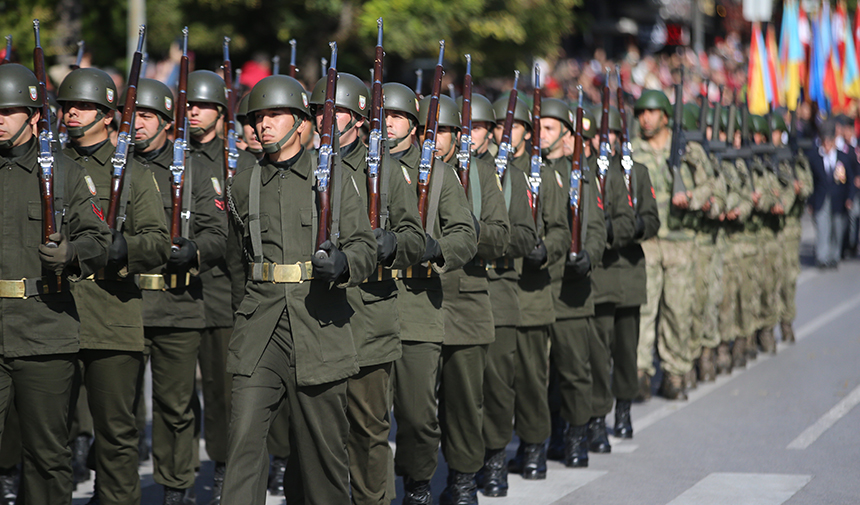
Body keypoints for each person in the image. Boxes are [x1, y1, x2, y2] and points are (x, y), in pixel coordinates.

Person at [221, 74, 376, 505]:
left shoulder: (337, 178)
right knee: (243, 444)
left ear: (301, 122)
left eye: (274, 115)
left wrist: (345, 263)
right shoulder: (243, 183)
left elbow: (364, 244)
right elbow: (239, 260)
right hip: (259, 329)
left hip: (318, 325)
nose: (262, 124)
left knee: (323, 456)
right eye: (257, 117)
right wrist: (243, 316)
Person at [58, 67, 171, 505]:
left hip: (111, 312)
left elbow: (158, 243)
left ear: (108, 115)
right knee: (50, 435)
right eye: (68, 106)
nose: (72, 114)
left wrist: (126, 248)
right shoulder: (49, 164)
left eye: (84, 106)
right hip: (52, 311)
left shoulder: (134, 173)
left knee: (115, 435)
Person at [0, 62, 110, 505]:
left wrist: (74, 253)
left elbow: (100, 239)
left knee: (46, 456)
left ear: (33, 116)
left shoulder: (63, 174)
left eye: (7, 111)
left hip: (44, 331)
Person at [129, 78, 228, 505]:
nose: (136, 123)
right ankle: (115, 487)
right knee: (119, 410)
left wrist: (195, 250)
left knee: (175, 406)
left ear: (167, 122)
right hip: (123, 302)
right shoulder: (118, 167)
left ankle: (176, 488)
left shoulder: (196, 168)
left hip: (178, 302)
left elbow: (217, 233)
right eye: (131, 114)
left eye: (146, 115)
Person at [383, 82, 477, 504]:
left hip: (418, 304)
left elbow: (464, 235)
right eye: (382, 115)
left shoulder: (438, 174)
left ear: (414, 125)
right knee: (361, 415)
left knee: (419, 415)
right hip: (362, 303)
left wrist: (438, 248)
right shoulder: (357, 170)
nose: (387, 124)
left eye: (397, 116)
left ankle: (418, 484)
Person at [417, 94, 510, 503]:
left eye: (443, 132)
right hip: (418, 298)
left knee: (464, 401)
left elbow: (501, 237)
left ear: (459, 138)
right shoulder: (407, 173)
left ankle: (463, 478)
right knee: (417, 407)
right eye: (428, 131)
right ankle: (418, 481)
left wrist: (469, 225)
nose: (434, 140)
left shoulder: (479, 175)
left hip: (467, 300)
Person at [184, 69, 258, 503]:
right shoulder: (172, 155)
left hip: (220, 292)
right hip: (176, 293)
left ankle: (224, 470)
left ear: (220, 112)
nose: (193, 112)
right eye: (188, 105)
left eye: (202, 105)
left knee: (222, 391)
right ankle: (179, 476)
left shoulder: (236, 160)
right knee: (175, 399)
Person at [472, 92, 536, 498]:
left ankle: (494, 456)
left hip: (497, 288)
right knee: (459, 388)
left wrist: (487, 239)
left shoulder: (509, 175)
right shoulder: (449, 172)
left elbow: (527, 236)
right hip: (452, 289)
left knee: (496, 383)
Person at [631, 89, 710, 401]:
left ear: (665, 116)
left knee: (677, 310)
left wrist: (691, 198)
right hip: (646, 242)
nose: (645, 118)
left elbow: (710, 185)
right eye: (641, 113)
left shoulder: (689, 151)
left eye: (651, 112)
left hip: (679, 241)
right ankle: (640, 373)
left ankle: (675, 373)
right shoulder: (632, 152)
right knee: (644, 310)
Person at [809, 120, 854, 269]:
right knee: (823, 228)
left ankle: (834, 256)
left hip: (838, 199)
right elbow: (811, 181)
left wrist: (850, 197)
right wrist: (810, 202)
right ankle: (822, 257)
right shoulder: (815, 157)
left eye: (830, 141)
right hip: (821, 198)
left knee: (837, 228)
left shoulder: (842, 157)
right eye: (825, 142)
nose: (827, 145)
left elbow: (850, 180)